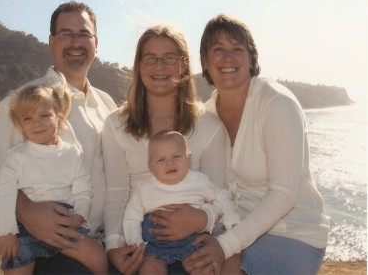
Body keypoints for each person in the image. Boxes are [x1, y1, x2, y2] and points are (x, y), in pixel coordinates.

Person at [0, 1, 117, 273]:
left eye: (83, 34)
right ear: (51, 42)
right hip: (43, 249)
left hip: (95, 242)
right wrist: (27, 212)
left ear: (96, 42)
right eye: (66, 34)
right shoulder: (28, 100)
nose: (75, 42)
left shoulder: (106, 104)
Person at [182, 14, 330, 274]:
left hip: (292, 233)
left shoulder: (276, 103)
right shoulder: (207, 115)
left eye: (237, 49)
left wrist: (225, 245)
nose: (228, 58)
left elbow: (284, 194)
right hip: (236, 229)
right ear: (205, 60)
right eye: (218, 49)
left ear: (251, 58)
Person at [102, 25, 237, 274]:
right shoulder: (115, 124)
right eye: (150, 58)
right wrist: (114, 245)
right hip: (140, 243)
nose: (160, 66)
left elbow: (218, 192)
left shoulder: (208, 125)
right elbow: (117, 193)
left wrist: (202, 218)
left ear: (184, 64)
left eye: (170, 58)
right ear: (138, 66)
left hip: (195, 238)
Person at [0, 84, 108, 274]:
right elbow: (1, 191)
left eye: (44, 116)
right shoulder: (16, 157)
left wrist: (80, 214)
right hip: (24, 229)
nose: (36, 123)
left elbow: (83, 189)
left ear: (59, 117)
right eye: (27, 118)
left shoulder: (72, 153)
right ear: (20, 125)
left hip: (65, 224)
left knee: (98, 258)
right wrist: (7, 232)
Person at [123, 130, 240, 275]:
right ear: (151, 166)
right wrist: (137, 244)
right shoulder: (145, 189)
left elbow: (221, 197)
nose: (170, 163)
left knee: (202, 266)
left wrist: (231, 217)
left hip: (192, 240)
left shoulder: (198, 181)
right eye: (161, 160)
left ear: (188, 158)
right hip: (156, 242)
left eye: (176, 156)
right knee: (149, 269)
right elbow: (132, 216)